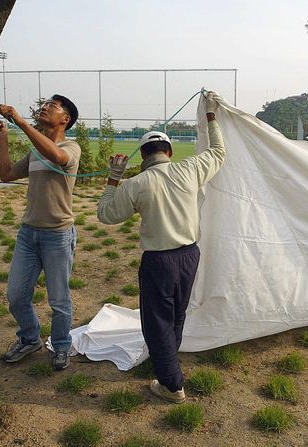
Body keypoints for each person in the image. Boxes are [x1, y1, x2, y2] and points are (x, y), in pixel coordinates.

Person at [96, 92, 225, 403]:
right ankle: (170, 362)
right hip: (190, 255)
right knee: (177, 313)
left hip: (159, 261)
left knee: (158, 322)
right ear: (168, 151)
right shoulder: (190, 169)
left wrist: (113, 179)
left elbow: (106, 215)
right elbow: (219, 152)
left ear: (143, 156)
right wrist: (211, 115)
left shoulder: (136, 184)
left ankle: (171, 384)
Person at [0, 94, 81, 371]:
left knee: (58, 299)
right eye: (44, 106)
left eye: (51, 107)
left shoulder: (71, 147)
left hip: (58, 235)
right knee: (16, 295)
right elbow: (6, 175)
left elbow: (56, 155)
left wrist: (19, 121)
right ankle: (30, 338)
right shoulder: (34, 152)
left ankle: (61, 345)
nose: (44, 108)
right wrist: (3, 139)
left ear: (64, 119)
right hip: (28, 234)